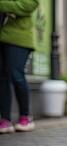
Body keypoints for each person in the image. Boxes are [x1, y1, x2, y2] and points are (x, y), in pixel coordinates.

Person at [0, 0, 39, 133]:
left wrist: (3, 5)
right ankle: (5, 119)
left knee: (16, 75)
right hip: (3, 36)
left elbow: (30, 4)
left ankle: (25, 117)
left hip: (19, 38)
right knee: (3, 78)